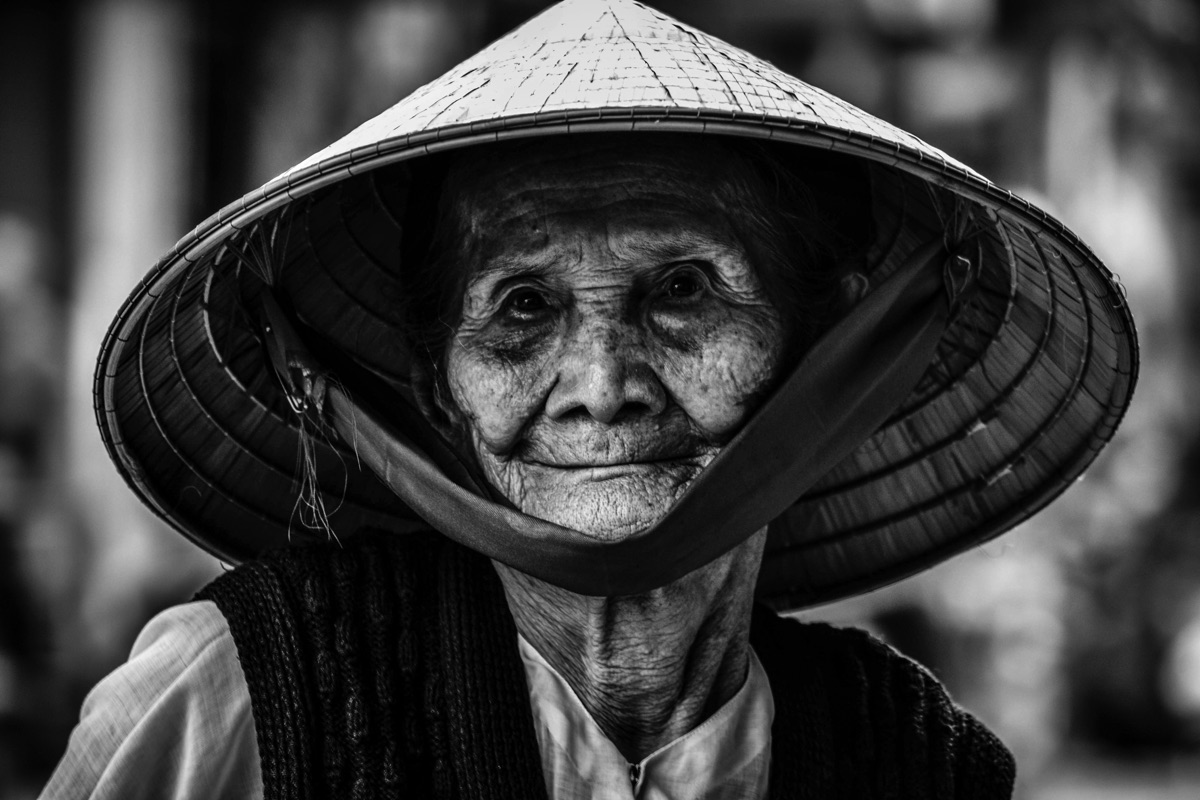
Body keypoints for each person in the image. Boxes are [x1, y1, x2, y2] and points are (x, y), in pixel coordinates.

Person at [44, 0, 1138, 797]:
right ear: (437, 382)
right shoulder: (234, 700)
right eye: (522, 308)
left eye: (683, 290)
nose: (603, 388)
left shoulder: (916, 766)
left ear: (820, 346)